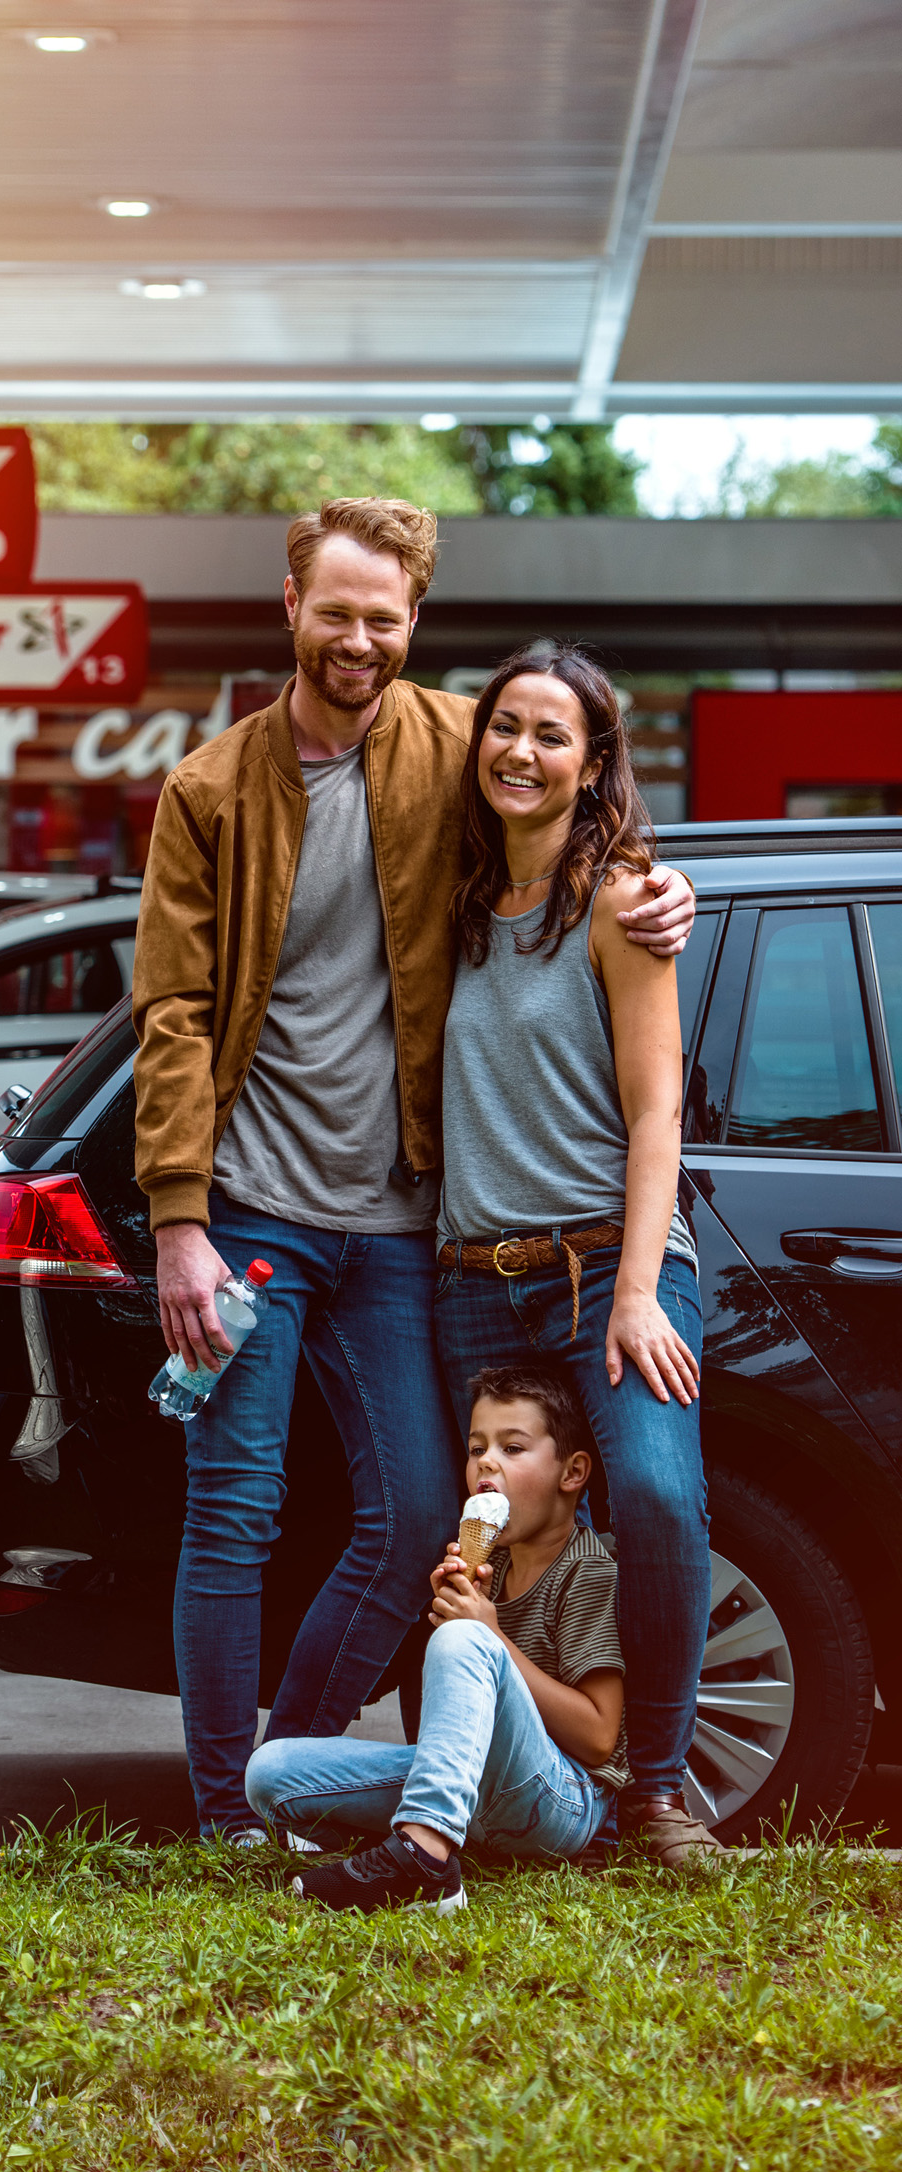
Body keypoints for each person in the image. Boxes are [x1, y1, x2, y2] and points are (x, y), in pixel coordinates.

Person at [131, 499, 696, 1842]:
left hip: (402, 1225)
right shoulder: (209, 790)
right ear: (288, 605)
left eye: (384, 618)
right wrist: (177, 1221)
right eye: (335, 612)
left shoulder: (459, 739)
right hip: (255, 1220)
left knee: (408, 1528)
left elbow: (577, 798)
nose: (358, 640)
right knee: (232, 1513)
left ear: (412, 626)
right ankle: (228, 1815)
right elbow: (172, 1014)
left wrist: (669, 888)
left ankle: (295, 1777)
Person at [431, 640, 717, 1872]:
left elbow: (658, 1112)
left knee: (655, 1495)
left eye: (555, 734)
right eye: (505, 726)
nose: (523, 751)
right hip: (472, 1278)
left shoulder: (620, 901)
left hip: (612, 1264)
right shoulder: (445, 902)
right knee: (481, 1529)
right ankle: (493, 1782)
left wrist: (643, 1290)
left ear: (596, 760)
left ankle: (652, 1788)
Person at [246, 1363, 627, 1910]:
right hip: (474, 1798)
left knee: (466, 1642)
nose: (487, 1464)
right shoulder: (488, 1566)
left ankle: (423, 1860)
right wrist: (454, 1616)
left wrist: (485, 1634)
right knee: (271, 1771)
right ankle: (432, 1837)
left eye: (513, 1449)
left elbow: (598, 1737)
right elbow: (444, 1737)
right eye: (477, 1449)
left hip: (560, 1804)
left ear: (572, 1472)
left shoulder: (588, 1572)